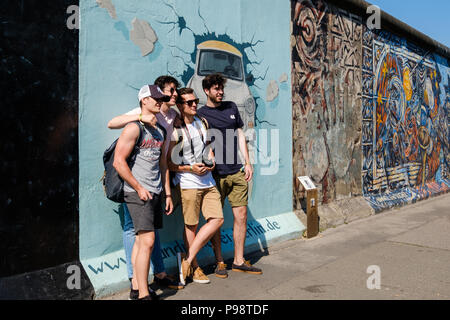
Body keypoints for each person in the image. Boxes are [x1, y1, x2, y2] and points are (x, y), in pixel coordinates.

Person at [108, 76, 183, 296]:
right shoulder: (134, 126)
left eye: (162, 98)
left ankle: (135, 287)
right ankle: (143, 292)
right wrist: (138, 187)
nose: (161, 102)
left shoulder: (160, 128)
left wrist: (166, 193)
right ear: (144, 101)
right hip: (137, 192)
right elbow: (118, 161)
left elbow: (162, 163)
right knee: (147, 240)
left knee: (143, 241)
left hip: (155, 190)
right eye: (157, 98)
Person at [197, 73, 262, 278]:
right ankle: (219, 262)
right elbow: (200, 143)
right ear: (207, 91)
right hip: (214, 175)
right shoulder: (201, 114)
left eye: (221, 88)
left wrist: (248, 161)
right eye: (216, 89)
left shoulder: (232, 107)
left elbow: (240, 133)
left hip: (236, 171)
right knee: (216, 219)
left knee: (240, 216)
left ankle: (239, 260)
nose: (220, 92)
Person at [167, 87, 224, 286]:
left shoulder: (203, 122)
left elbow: (208, 147)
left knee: (217, 219)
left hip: (208, 181)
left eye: (195, 101)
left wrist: (212, 160)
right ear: (180, 106)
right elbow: (170, 163)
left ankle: (187, 260)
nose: (194, 105)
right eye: (189, 102)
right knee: (191, 225)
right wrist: (191, 168)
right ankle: (196, 267)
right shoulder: (176, 130)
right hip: (188, 182)